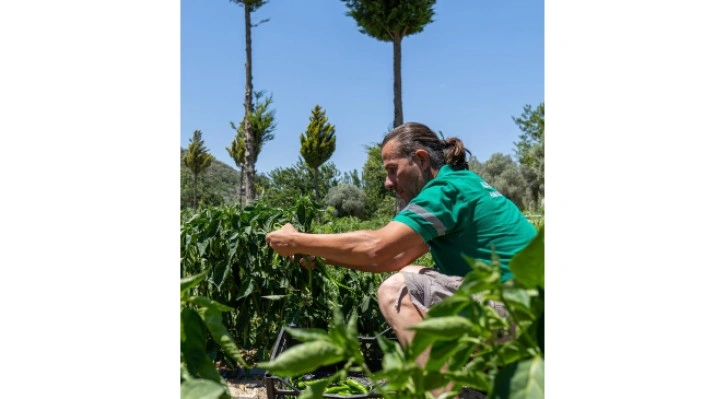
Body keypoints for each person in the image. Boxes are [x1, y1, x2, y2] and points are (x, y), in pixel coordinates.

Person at [265, 122, 537, 361]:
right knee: (408, 273)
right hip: (530, 308)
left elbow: (376, 246)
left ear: (419, 159)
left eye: (392, 170)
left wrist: (296, 240)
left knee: (397, 290)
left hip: (520, 313)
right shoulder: (464, 183)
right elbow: (393, 258)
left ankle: (437, 392)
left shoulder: (444, 192)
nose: (387, 182)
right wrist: (321, 257)